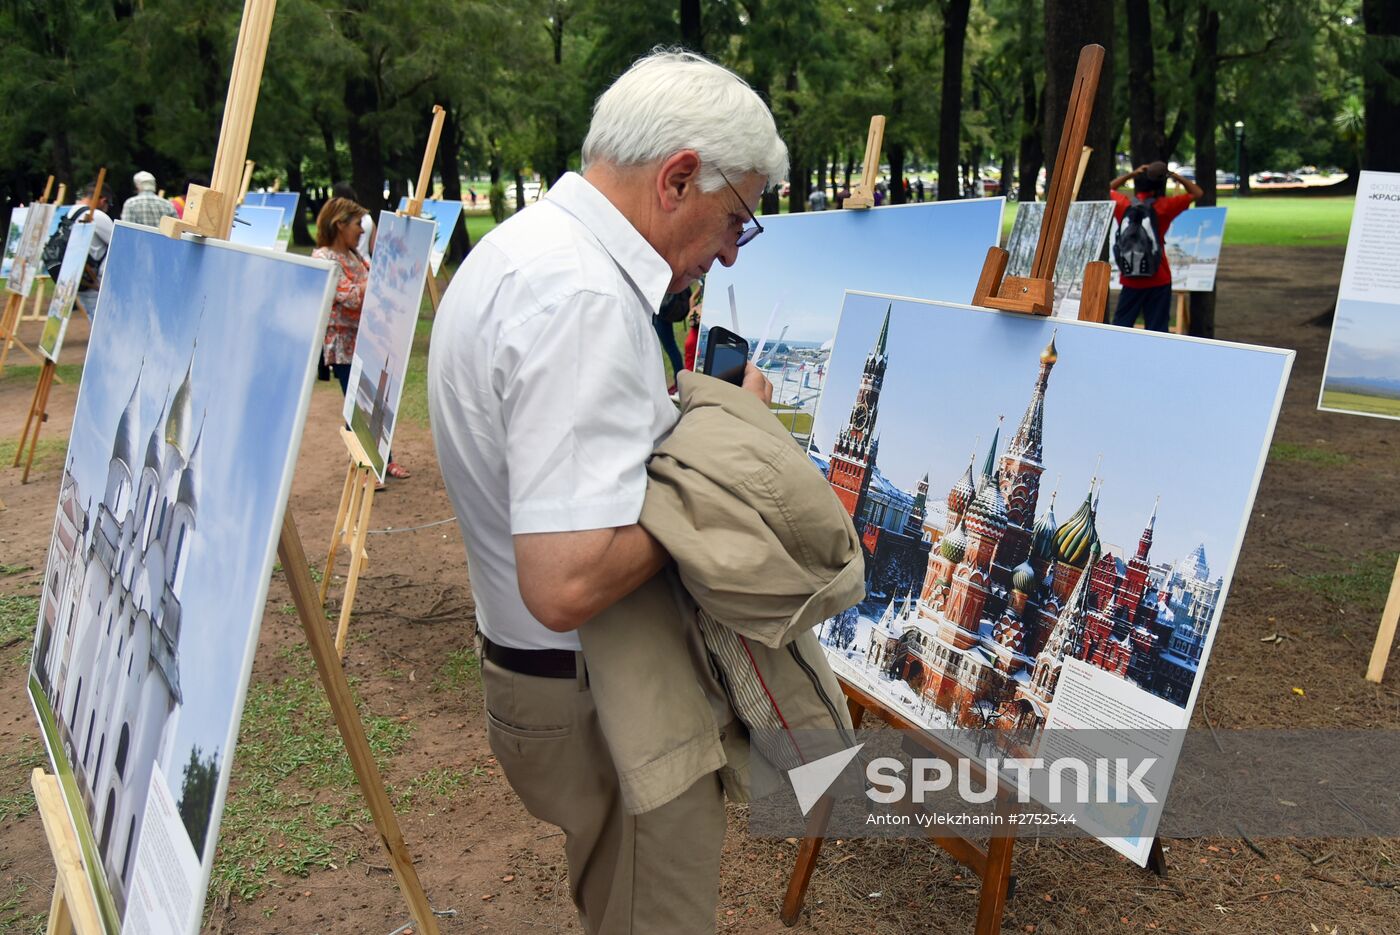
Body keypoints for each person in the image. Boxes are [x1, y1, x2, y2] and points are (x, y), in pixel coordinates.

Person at [428, 49, 785, 935]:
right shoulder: (583, 298)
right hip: (603, 691)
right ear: (676, 179)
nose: (733, 251)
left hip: (562, 679)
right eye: (738, 216)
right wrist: (719, 459)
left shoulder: (531, 250)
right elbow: (568, 580)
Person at [313, 196, 410, 480]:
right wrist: (380, 276)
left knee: (375, 403)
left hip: (369, 340)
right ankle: (364, 465)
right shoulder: (324, 258)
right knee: (358, 404)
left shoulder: (354, 256)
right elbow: (349, 297)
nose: (361, 231)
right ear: (339, 224)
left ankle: (382, 460)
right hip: (345, 346)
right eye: (357, 225)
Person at [1109, 160, 1202, 332]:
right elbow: (1197, 192)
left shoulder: (1124, 205)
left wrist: (1133, 173)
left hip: (1130, 278)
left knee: (1121, 327)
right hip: (1159, 276)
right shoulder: (1165, 207)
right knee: (1157, 330)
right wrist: (1173, 174)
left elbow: (1109, 188)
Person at [71, 182, 115, 312]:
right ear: (103, 200)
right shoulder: (96, 216)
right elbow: (117, 243)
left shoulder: (71, 212)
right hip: (95, 280)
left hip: (79, 276)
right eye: (108, 204)